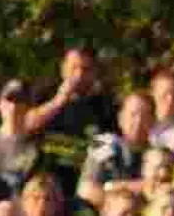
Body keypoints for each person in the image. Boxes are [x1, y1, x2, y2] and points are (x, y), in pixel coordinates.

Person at [26, 47, 117, 201]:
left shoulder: (104, 107)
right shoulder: (45, 94)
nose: (79, 75)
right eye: (73, 68)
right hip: (44, 185)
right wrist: (58, 101)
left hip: (82, 187)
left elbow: (104, 153)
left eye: (85, 69)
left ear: (94, 73)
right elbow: (27, 125)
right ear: (63, 69)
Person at [0, 79, 40, 201]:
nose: (14, 107)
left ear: (29, 107)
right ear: (0, 104)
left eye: (20, 101)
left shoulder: (38, 147)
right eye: (9, 100)